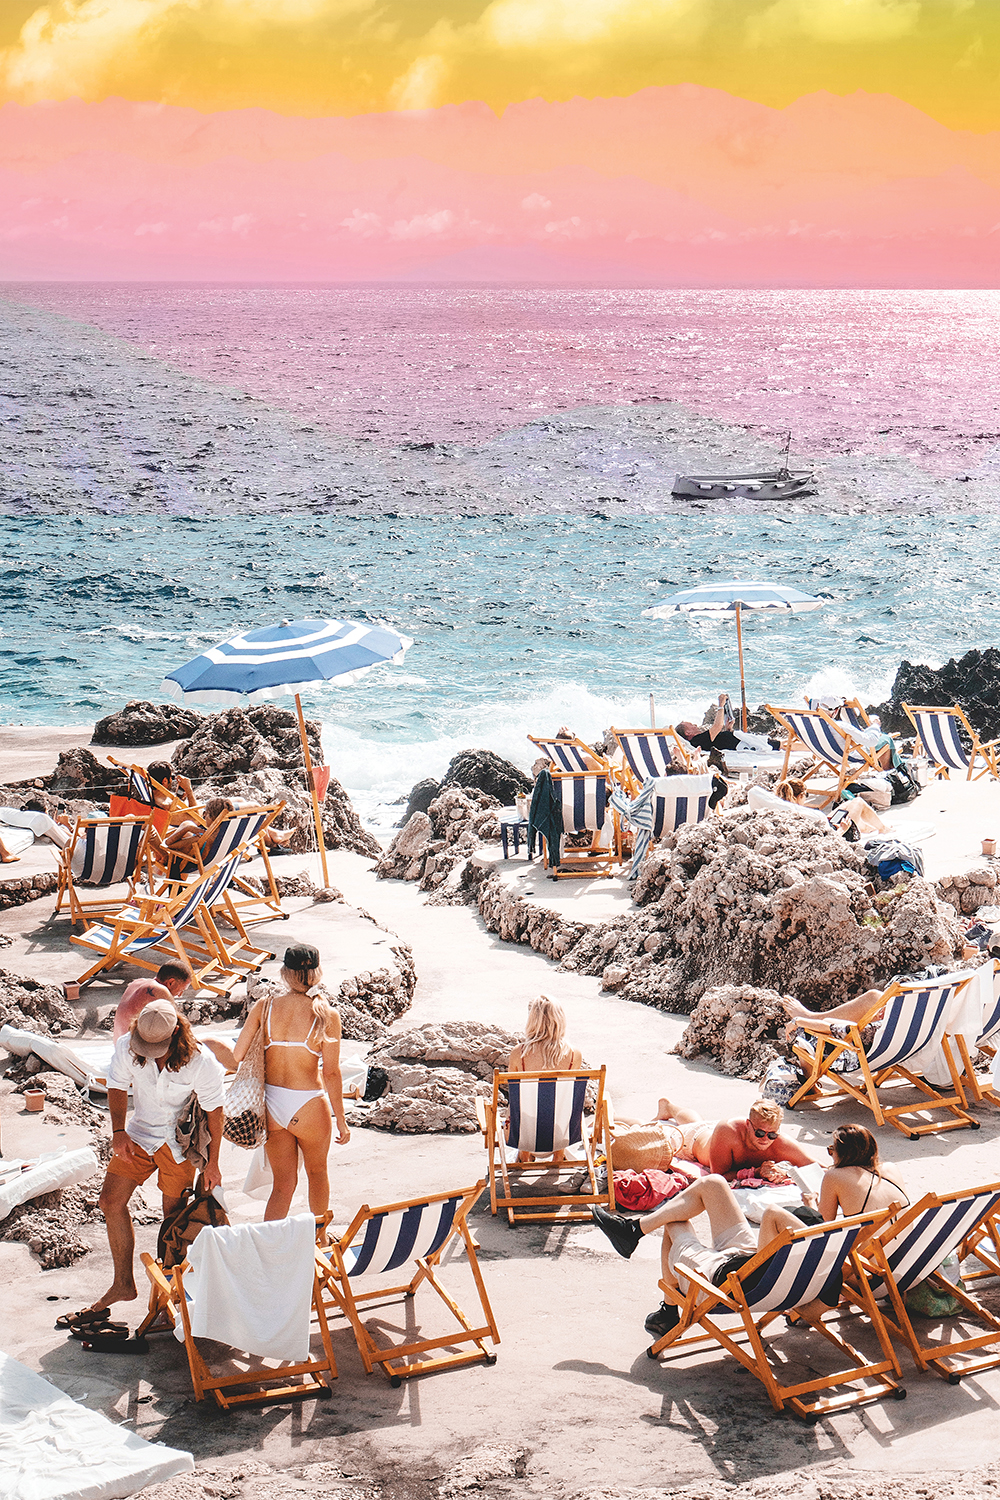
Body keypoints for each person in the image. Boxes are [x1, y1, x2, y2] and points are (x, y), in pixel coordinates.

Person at [59, 1000, 225, 1336]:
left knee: (172, 1223)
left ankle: (167, 1302)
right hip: (138, 1134)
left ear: (176, 1031)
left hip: (177, 1144)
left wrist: (214, 1163)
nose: (150, 1052)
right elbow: (116, 1086)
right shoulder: (127, 1046)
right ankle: (123, 1284)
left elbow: (215, 1112)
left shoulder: (200, 1061)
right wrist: (118, 1132)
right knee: (109, 1202)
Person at [592, 1173, 841, 1339]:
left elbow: (773, 1214)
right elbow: (818, 1308)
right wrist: (795, 1306)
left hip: (726, 1280)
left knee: (674, 1223)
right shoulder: (829, 1264)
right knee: (713, 1183)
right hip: (751, 1262)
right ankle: (633, 1230)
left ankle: (668, 1312)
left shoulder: (772, 1262)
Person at [227, 943, 350, 1228]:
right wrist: (341, 1120)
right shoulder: (326, 1014)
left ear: (285, 972)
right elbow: (331, 1073)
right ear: (317, 972)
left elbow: (237, 1056)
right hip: (308, 1103)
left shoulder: (265, 1006)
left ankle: (267, 1244)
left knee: (283, 1184)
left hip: (272, 1105)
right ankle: (319, 1238)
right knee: (317, 1173)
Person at [652, 1096, 817, 1180]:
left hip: (712, 1134)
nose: (765, 1139)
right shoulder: (728, 1131)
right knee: (652, 1134)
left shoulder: (780, 1142)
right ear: (748, 1124)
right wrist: (757, 1172)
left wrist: (786, 1173)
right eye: (759, 1133)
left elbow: (818, 1168)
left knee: (699, 1122)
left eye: (772, 1134)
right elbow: (718, 1176)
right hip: (693, 1141)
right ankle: (668, 1108)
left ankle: (669, 1107)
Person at [508, 997, 583, 1163]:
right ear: (560, 1020)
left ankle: (524, 1155)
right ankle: (558, 1156)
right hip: (560, 1134)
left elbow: (513, 1097)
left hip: (525, 1134)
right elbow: (566, 1098)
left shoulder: (518, 1054)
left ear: (532, 1021)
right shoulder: (573, 1055)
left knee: (522, 1105)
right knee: (561, 1104)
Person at [775, 777, 887, 838]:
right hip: (839, 832)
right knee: (858, 802)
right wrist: (842, 829)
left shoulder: (782, 808)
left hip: (828, 824)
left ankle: (869, 828)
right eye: (806, 795)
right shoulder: (801, 813)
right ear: (800, 796)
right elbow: (827, 839)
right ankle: (882, 829)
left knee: (849, 803)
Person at [112, 963, 192, 1040]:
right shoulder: (160, 991)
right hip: (132, 1050)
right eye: (181, 990)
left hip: (120, 1045)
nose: (180, 995)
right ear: (171, 982)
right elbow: (179, 1028)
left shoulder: (138, 982)